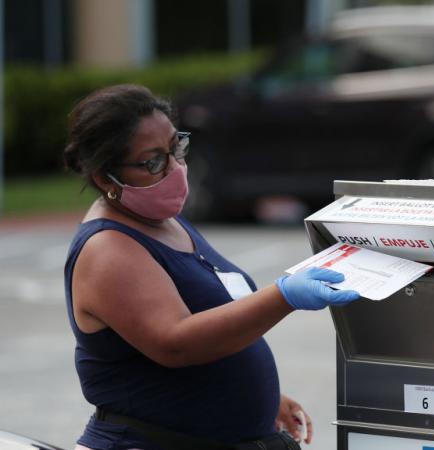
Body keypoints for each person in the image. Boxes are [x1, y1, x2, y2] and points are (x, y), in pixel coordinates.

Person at [62, 84, 360, 450]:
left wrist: (259, 399)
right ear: (105, 177)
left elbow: (213, 315)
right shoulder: (107, 249)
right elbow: (175, 343)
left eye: (176, 148)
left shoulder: (163, 221)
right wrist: (283, 297)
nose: (175, 168)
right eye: (153, 162)